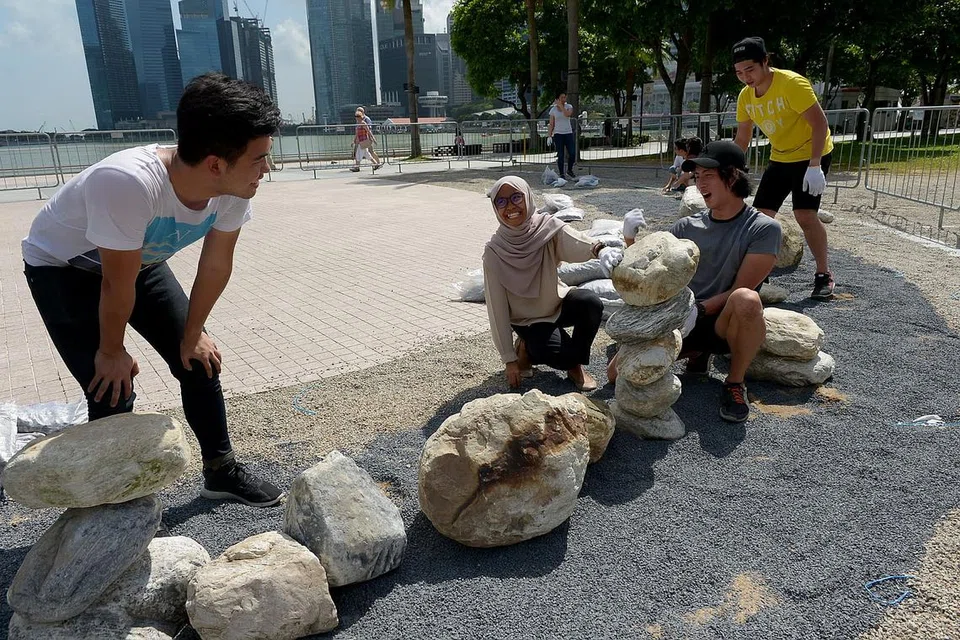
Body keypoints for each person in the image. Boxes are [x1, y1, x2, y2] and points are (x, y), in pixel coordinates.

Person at [20, 73, 285, 507]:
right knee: (111, 385)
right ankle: (113, 503)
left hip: (135, 262)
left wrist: (192, 334)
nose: (266, 169)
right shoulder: (127, 182)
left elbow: (216, 264)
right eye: (260, 158)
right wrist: (111, 351)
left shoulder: (234, 187)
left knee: (199, 361)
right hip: (63, 269)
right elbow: (114, 282)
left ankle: (221, 472)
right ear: (216, 164)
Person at [609, 141, 781, 423]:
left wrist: (697, 310)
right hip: (682, 320)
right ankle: (697, 353)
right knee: (615, 374)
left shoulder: (763, 229)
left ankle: (734, 382)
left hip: (723, 321)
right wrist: (629, 241)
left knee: (747, 299)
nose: (700, 184)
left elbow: (741, 288)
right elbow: (652, 272)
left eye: (708, 176)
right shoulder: (686, 226)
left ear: (733, 176)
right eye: (697, 176)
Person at [482, 176, 623, 392]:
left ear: (527, 197)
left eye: (516, 197)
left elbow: (575, 240)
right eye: (501, 201)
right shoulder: (495, 252)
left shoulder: (546, 228)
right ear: (495, 207)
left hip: (556, 303)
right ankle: (527, 347)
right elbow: (496, 308)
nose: (510, 206)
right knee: (554, 354)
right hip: (527, 320)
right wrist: (508, 359)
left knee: (590, 302)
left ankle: (575, 366)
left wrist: (599, 250)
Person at [732, 36, 835, 299]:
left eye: (750, 69)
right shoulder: (745, 96)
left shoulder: (791, 84)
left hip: (811, 154)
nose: (745, 77)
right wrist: (728, 166)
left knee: (805, 215)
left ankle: (823, 274)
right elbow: (742, 139)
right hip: (780, 157)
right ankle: (758, 274)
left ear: (765, 61)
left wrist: (815, 165)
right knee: (761, 217)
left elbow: (820, 124)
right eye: (739, 72)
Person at [548, 92, 577, 179]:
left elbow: (567, 114)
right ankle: (561, 173)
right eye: (562, 98)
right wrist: (549, 135)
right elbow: (551, 123)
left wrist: (561, 106)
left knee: (572, 153)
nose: (564, 99)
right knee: (560, 155)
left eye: (565, 97)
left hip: (568, 133)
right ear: (558, 99)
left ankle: (569, 170)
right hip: (558, 134)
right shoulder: (553, 110)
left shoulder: (568, 106)